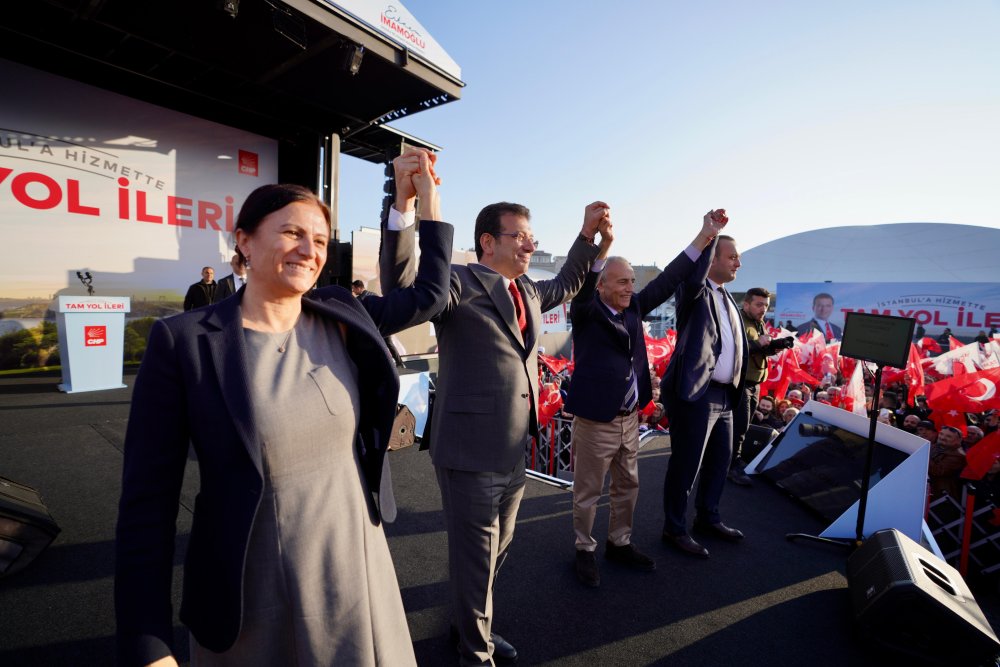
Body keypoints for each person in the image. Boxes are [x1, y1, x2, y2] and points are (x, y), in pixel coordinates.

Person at [114, 154, 453, 667]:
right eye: (292, 233)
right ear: (244, 240)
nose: (308, 250)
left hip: (355, 563)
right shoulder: (184, 343)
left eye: (319, 240)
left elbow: (426, 296)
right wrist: (148, 644)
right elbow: (147, 504)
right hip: (253, 588)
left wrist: (420, 203)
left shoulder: (341, 312)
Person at [380, 147, 609, 666]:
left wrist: (587, 237)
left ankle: (468, 628)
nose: (531, 243)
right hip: (468, 453)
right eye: (521, 235)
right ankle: (474, 653)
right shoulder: (458, 283)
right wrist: (405, 207)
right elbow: (404, 284)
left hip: (512, 453)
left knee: (492, 555)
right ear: (488, 241)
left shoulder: (526, 289)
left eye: (532, 236)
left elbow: (569, 281)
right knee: (477, 556)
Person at [566, 213, 722, 588]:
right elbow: (584, 287)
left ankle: (619, 542)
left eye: (632, 282)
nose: (629, 288)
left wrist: (705, 236)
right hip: (595, 421)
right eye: (621, 281)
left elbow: (669, 277)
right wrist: (602, 247)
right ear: (602, 284)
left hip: (629, 419)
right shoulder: (585, 312)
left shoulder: (635, 307)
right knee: (588, 491)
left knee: (628, 486)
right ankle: (583, 550)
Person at [660, 222, 750, 560]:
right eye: (732, 257)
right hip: (699, 395)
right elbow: (693, 277)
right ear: (712, 259)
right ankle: (675, 528)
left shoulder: (728, 298)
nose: (738, 263)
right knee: (687, 465)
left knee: (719, 462)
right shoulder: (694, 290)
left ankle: (708, 517)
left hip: (727, 397)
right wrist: (707, 236)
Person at [730, 287, 785, 486]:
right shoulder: (738, 321)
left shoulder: (758, 322)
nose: (763, 309)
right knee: (739, 426)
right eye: (759, 304)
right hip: (741, 382)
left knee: (744, 425)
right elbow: (733, 349)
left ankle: (734, 460)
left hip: (755, 383)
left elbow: (757, 349)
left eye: (766, 306)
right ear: (746, 304)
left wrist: (772, 347)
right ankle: (731, 465)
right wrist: (757, 343)